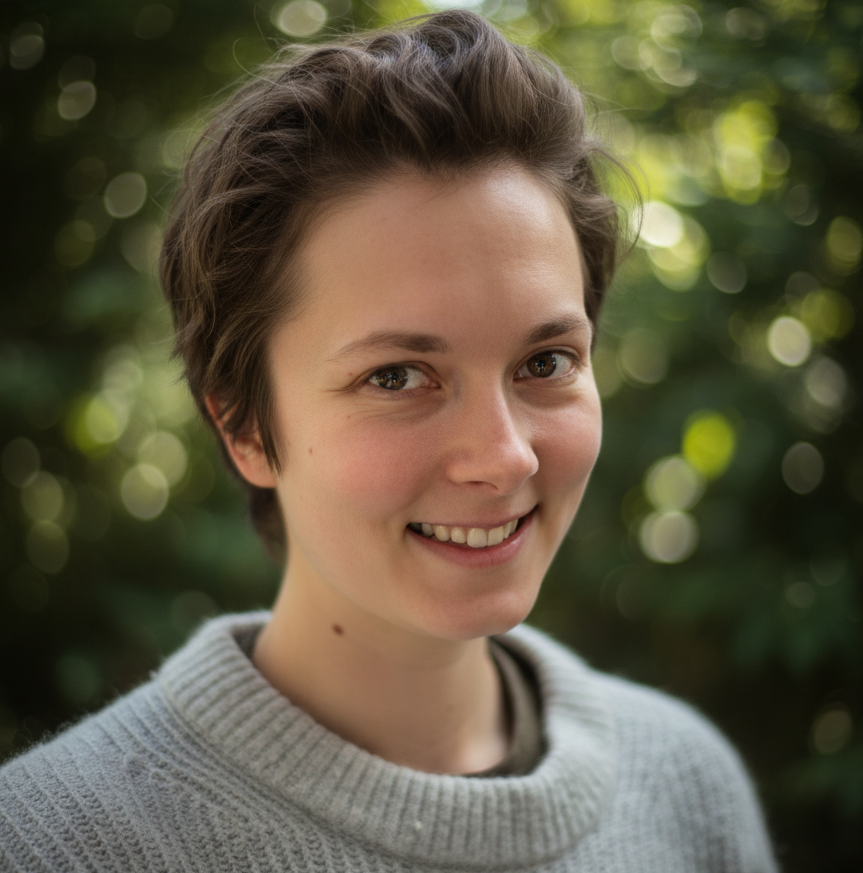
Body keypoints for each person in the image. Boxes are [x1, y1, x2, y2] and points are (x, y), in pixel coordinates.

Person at [0, 10, 778, 872]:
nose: (506, 456)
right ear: (245, 426)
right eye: (398, 377)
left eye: (545, 360)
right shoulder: (51, 843)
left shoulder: (686, 789)